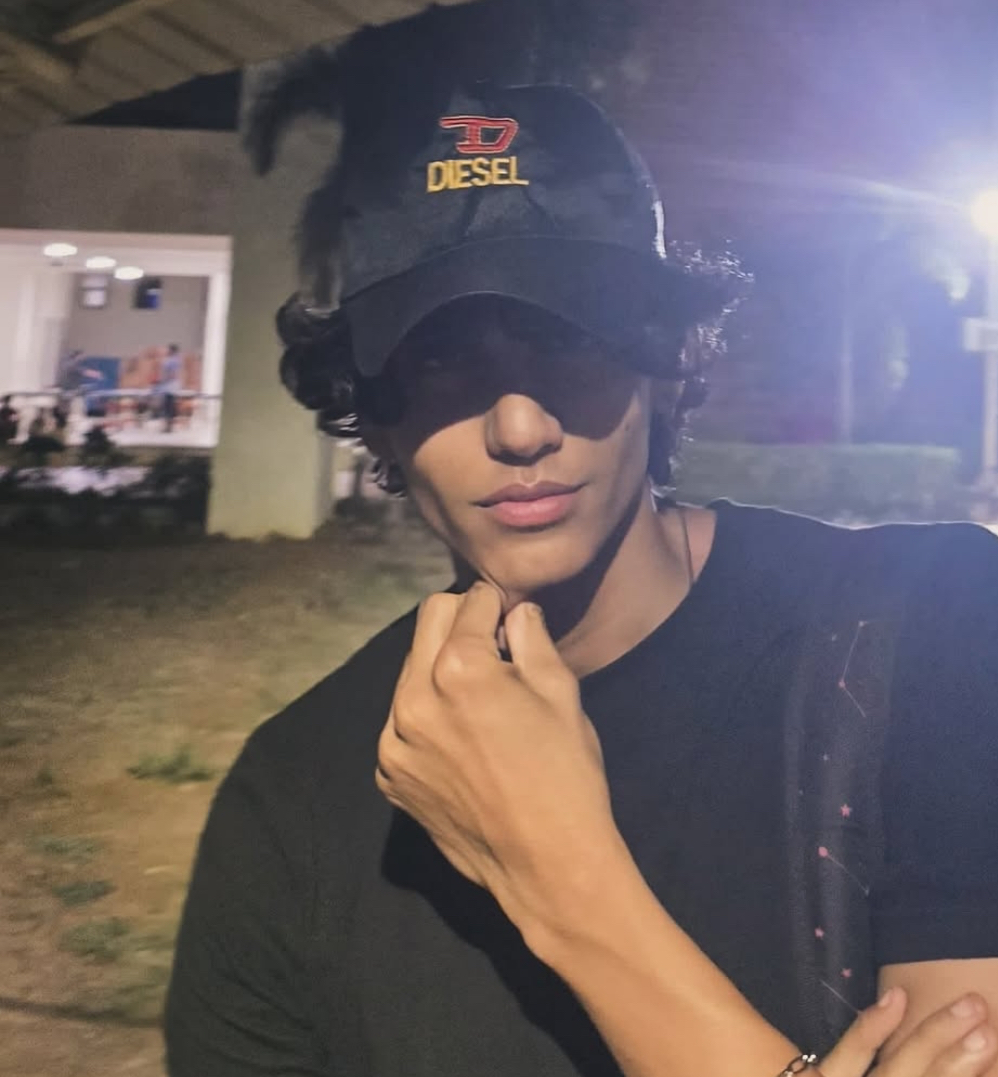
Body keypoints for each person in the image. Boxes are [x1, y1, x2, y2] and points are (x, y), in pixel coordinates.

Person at [164, 51, 998, 1077]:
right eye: (440, 358)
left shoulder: (927, 629)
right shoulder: (292, 797)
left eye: (568, 338)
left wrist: (566, 882)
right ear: (372, 415)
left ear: (668, 362)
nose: (518, 427)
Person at [159, 344, 184, 433]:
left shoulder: (172, 361)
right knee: (168, 406)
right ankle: (168, 426)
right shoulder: (176, 360)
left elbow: (172, 373)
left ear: (172, 351)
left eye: (168, 350)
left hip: (169, 386)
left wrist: (165, 379)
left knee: (168, 407)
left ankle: (168, 426)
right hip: (170, 386)